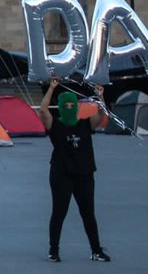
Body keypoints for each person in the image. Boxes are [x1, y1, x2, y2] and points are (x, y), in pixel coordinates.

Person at [39, 78, 110, 262]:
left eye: (73, 104)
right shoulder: (55, 125)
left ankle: (96, 250)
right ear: (61, 107)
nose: (70, 107)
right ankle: (53, 251)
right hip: (61, 174)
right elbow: (43, 110)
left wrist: (99, 96)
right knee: (59, 212)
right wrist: (52, 88)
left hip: (85, 173)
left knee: (88, 213)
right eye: (66, 105)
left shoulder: (86, 124)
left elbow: (102, 114)